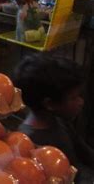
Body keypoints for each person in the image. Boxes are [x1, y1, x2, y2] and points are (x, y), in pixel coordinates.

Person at [13, 54, 94, 183]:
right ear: (49, 104)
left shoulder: (59, 120)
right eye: (74, 97)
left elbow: (84, 153)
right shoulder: (28, 143)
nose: (81, 102)